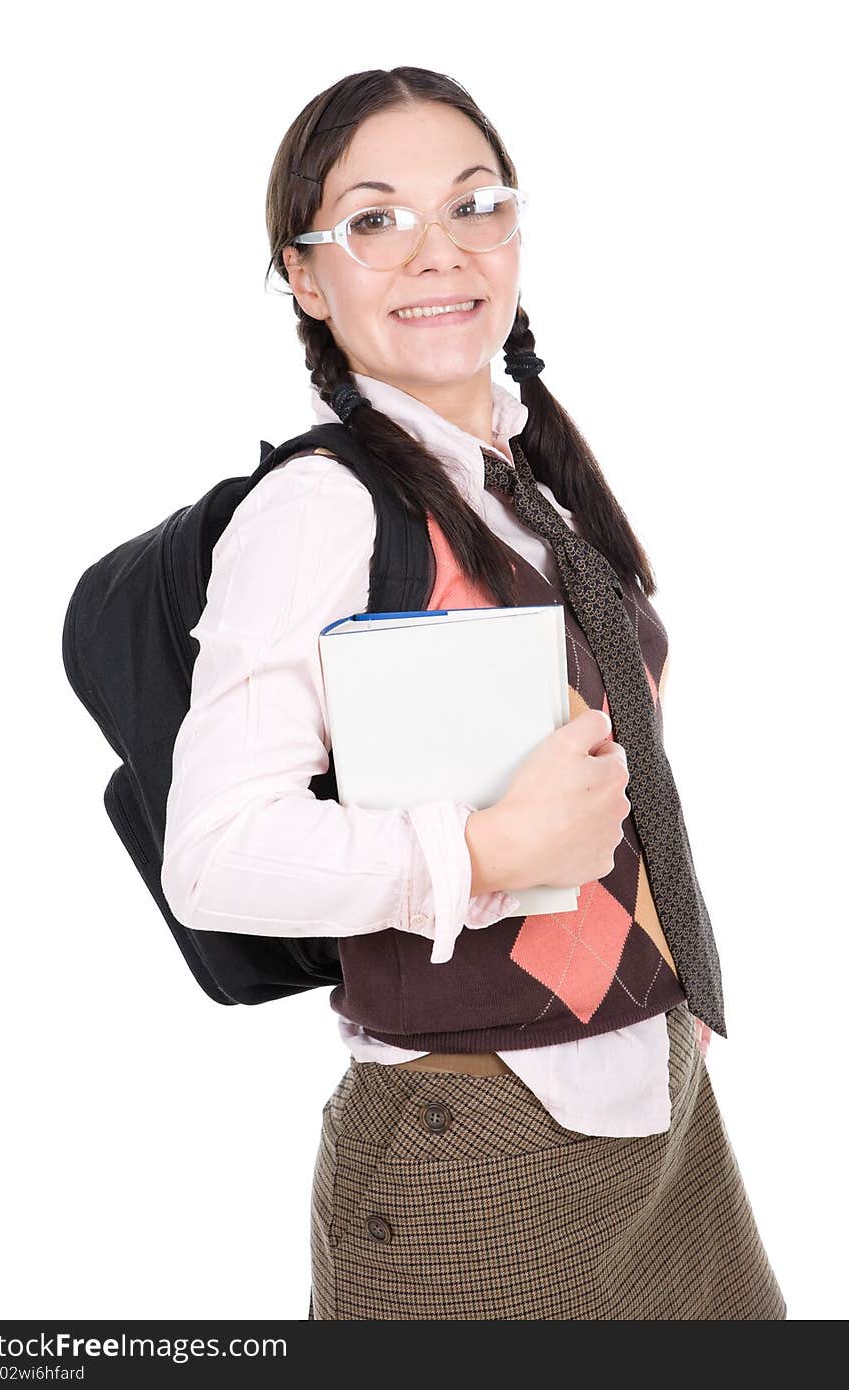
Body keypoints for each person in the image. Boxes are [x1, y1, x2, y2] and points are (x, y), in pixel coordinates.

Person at [160, 66, 787, 1320]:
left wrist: (672, 994)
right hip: (475, 1148)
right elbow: (214, 852)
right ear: (304, 275)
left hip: (656, 1113)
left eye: (474, 205)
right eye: (375, 221)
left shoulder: (519, 471)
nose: (437, 253)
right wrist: (487, 848)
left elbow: (624, 752)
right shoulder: (322, 507)